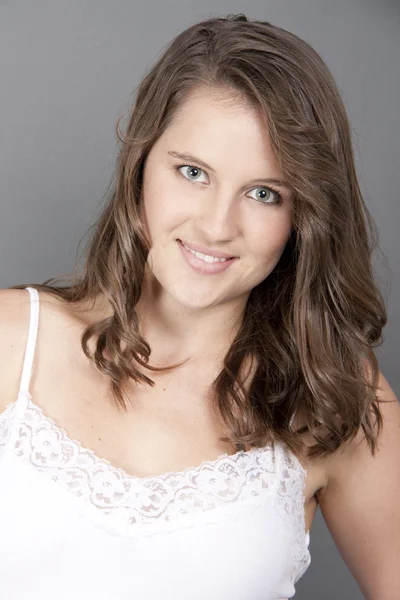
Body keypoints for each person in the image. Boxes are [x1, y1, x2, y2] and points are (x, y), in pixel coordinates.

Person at [0, 12, 399, 600]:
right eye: (193, 172)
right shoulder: (12, 339)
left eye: (264, 193)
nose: (217, 225)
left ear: (304, 215)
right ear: (140, 168)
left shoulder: (332, 393)